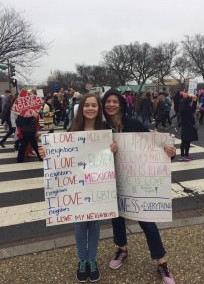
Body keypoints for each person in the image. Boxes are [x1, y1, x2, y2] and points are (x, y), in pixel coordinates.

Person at [39, 93, 117, 283]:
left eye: (94, 105)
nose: (90, 108)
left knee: (96, 225)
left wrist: (114, 149)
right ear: (81, 108)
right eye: (87, 105)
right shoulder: (72, 131)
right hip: (77, 188)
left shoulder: (105, 130)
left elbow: (110, 160)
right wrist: (46, 153)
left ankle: (92, 259)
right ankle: (83, 260)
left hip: (98, 185)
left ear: (98, 109)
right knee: (80, 226)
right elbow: (60, 157)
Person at [102, 88, 176, 284]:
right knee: (117, 219)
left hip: (136, 182)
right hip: (112, 181)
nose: (111, 104)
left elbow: (154, 144)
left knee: (147, 223)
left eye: (114, 101)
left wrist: (169, 151)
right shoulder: (101, 129)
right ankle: (122, 248)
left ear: (121, 103)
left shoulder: (133, 123)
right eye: (107, 101)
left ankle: (162, 262)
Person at [178, 96, 198, 161]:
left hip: (186, 126)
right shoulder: (187, 109)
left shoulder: (184, 108)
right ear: (188, 102)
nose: (192, 103)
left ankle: (185, 155)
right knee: (185, 142)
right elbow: (192, 111)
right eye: (191, 101)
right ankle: (183, 156)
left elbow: (193, 110)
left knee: (186, 141)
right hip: (188, 126)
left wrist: (195, 101)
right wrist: (195, 101)